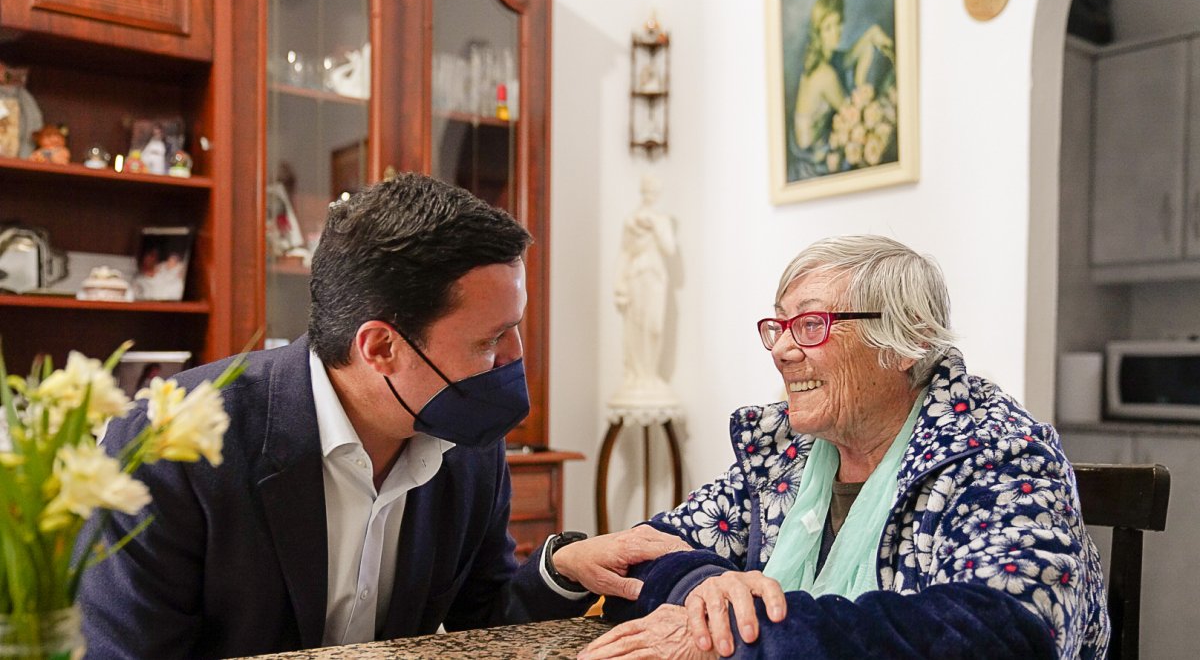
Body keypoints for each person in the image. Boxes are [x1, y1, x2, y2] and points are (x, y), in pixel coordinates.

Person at [80, 172, 685, 658]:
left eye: (516, 329)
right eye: (489, 341)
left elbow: (483, 622)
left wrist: (560, 568)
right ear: (380, 348)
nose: (515, 359)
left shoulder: (466, 442)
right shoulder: (170, 446)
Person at [581, 235, 1109, 659]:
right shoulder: (787, 451)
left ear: (909, 341)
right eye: (779, 326)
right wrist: (705, 590)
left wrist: (746, 637)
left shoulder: (998, 452)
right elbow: (648, 551)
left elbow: (1002, 634)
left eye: (811, 324)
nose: (782, 349)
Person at [790, 0, 894, 179]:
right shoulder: (824, 74)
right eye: (827, 28)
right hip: (813, 160)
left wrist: (872, 33)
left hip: (818, 149)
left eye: (838, 23)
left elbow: (848, 57)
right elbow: (853, 111)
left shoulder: (828, 59)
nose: (836, 32)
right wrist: (861, 78)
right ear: (818, 33)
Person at [612, 174, 676, 400]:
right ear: (643, 191)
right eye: (648, 189)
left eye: (655, 190)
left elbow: (669, 248)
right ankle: (638, 375)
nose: (651, 194)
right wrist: (619, 284)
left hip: (655, 276)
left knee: (654, 326)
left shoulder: (662, 220)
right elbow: (624, 252)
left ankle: (650, 373)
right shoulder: (631, 221)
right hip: (636, 275)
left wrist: (656, 226)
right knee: (636, 327)